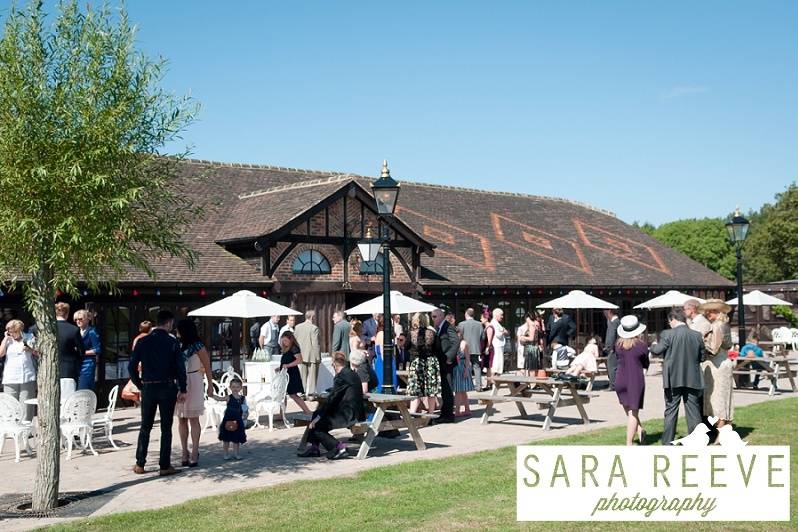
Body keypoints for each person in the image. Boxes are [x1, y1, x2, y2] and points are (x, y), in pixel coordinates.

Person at [129, 310, 187, 476]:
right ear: (168, 323)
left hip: (148, 386)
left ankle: (140, 463)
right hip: (167, 386)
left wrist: (139, 384)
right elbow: (180, 368)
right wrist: (183, 388)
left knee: (145, 426)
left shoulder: (143, 341)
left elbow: (131, 366)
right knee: (166, 427)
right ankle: (164, 464)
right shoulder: (172, 342)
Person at [649, 307, 705, 446]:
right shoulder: (696, 335)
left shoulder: (667, 334)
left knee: (671, 411)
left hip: (672, 378)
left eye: (670, 322)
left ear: (673, 319)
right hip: (692, 378)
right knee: (693, 411)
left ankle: (668, 442)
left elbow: (657, 350)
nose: (670, 324)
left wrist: (653, 345)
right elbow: (702, 357)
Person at [298, 351, 366, 460]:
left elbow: (331, 399)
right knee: (316, 415)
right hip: (354, 411)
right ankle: (315, 447)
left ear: (333, 364)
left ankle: (339, 447)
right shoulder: (351, 373)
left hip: (349, 414)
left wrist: (319, 417)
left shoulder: (341, 377)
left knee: (317, 426)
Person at [175, 319, 214, 468]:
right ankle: (184, 451)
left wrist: (210, 385)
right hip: (180, 381)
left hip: (194, 380)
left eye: (179, 330)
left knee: (193, 418)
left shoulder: (198, 346)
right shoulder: (178, 345)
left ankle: (195, 451)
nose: (176, 333)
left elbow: (207, 366)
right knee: (181, 419)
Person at [699, 299, 735, 434]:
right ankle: (726, 430)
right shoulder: (725, 324)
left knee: (717, 400)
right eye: (707, 311)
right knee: (725, 398)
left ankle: (720, 435)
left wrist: (701, 341)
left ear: (717, 312)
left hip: (717, 366)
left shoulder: (716, 326)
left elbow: (713, 349)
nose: (708, 313)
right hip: (724, 363)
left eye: (711, 311)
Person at [614, 316, 650, 445]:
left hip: (620, 379)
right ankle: (629, 443)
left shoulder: (618, 345)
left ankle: (640, 431)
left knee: (628, 409)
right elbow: (646, 363)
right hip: (634, 379)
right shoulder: (641, 345)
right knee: (633, 412)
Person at [0, 319, 37, 421]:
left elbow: (38, 353)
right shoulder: (8, 340)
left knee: (26, 404)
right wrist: (5, 339)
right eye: (9, 331)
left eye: (12, 331)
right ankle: (11, 426)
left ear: (19, 330)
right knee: (10, 404)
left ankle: (26, 428)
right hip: (10, 377)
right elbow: (1, 353)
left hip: (27, 375)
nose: (10, 333)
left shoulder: (29, 337)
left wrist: (30, 349)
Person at [407, 313, 440, 414]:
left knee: (415, 390)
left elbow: (406, 347)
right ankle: (430, 414)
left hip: (417, 362)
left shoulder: (411, 333)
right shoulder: (432, 333)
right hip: (431, 362)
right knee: (431, 391)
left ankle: (412, 413)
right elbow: (438, 348)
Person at [432, 307, 458, 423]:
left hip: (447, 362)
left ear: (441, 316)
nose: (433, 319)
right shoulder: (440, 327)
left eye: (434, 316)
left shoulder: (447, 326)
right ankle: (445, 413)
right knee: (445, 389)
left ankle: (448, 415)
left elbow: (456, 341)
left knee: (447, 388)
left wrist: (449, 357)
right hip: (442, 362)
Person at [277, 331, 312, 415]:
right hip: (285, 374)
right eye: (283, 341)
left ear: (290, 340)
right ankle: (281, 415)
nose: (284, 342)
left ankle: (307, 411)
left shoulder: (294, 348)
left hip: (292, 374)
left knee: (293, 395)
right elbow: (288, 360)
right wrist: (280, 367)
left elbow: (299, 360)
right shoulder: (286, 348)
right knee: (283, 395)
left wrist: (288, 365)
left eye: (285, 340)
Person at [54, 302, 84, 385]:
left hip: (49, 369)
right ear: (67, 313)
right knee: (68, 397)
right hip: (68, 370)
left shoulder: (47, 329)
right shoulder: (74, 330)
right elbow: (81, 351)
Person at [218, 377, 247, 460]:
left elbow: (245, 408)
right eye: (233, 387)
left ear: (241, 388)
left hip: (238, 420)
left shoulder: (243, 398)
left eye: (237, 387)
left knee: (236, 439)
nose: (235, 389)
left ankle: (236, 453)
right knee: (226, 439)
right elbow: (220, 398)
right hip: (228, 419)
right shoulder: (228, 397)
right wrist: (212, 395)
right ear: (230, 387)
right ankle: (225, 453)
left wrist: (246, 414)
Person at [294, 310, 321, 396]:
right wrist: (318, 358)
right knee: (312, 377)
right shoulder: (314, 328)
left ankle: (302, 393)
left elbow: (295, 342)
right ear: (312, 317)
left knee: (302, 376)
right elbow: (315, 344)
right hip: (312, 356)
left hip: (301, 355)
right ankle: (311, 394)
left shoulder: (297, 327)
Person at [74, 309, 101, 391]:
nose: (78, 321)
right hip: (78, 363)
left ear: (87, 319)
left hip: (87, 364)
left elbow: (98, 349)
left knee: (84, 388)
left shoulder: (91, 332)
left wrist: (82, 352)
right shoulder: (77, 331)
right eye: (76, 320)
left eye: (80, 319)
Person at [458, 308, 484, 391]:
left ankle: (466, 386)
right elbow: (483, 337)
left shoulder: (461, 324)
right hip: (475, 348)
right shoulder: (479, 324)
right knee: (476, 367)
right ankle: (478, 386)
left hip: (464, 348)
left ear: (466, 314)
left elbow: (459, 337)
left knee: (464, 366)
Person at [373, 314, 398, 391]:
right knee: (385, 384)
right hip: (384, 363)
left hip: (387, 361)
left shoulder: (383, 334)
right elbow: (382, 350)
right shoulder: (382, 334)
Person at [452, 337, 474, 416]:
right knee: (461, 391)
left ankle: (457, 411)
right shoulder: (454, 342)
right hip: (456, 368)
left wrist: (466, 371)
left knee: (458, 391)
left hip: (462, 367)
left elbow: (468, 358)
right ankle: (467, 409)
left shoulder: (464, 343)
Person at [487, 308, 507, 380]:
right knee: (496, 363)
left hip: (499, 345)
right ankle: (494, 380)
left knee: (498, 363)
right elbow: (498, 334)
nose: (502, 317)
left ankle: (496, 380)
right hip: (497, 345)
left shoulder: (496, 323)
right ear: (496, 315)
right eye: (501, 315)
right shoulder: (494, 323)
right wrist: (504, 332)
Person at [603, 309, 620, 391]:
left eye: (605, 312)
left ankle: (613, 385)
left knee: (612, 366)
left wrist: (609, 347)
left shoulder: (613, 323)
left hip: (613, 349)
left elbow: (611, 336)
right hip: (618, 347)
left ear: (609, 312)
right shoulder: (618, 322)